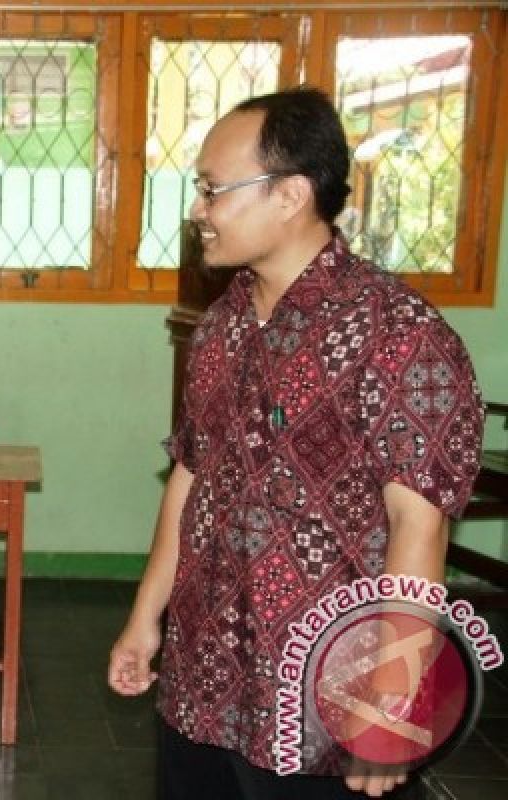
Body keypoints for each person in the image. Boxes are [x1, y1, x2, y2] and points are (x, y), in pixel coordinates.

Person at [107, 87, 483, 798]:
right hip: (202, 681)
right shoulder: (220, 328)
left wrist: (392, 706)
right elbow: (190, 479)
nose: (198, 210)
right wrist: (144, 618)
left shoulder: (398, 334)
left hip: (318, 701)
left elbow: (418, 528)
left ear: (290, 195)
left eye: (213, 191)